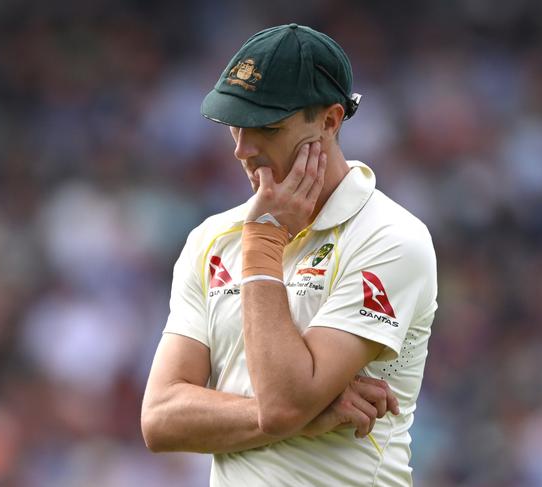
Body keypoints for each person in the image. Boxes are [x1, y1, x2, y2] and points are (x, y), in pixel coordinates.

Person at [141, 23, 437, 486]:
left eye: (267, 127)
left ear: (330, 121)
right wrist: (305, 415)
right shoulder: (211, 239)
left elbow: (283, 403)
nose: (243, 149)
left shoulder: (391, 238)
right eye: (235, 125)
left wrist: (262, 240)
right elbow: (160, 418)